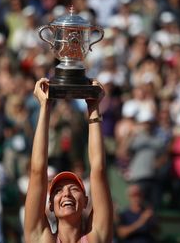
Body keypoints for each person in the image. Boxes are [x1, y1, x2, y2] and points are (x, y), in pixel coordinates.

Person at [24, 78, 113, 243]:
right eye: (57, 191)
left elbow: (98, 169)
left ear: (86, 201)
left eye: (74, 189)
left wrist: (93, 106)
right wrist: (45, 106)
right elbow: (37, 171)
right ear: (50, 205)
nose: (66, 194)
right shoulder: (40, 239)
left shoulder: (97, 237)